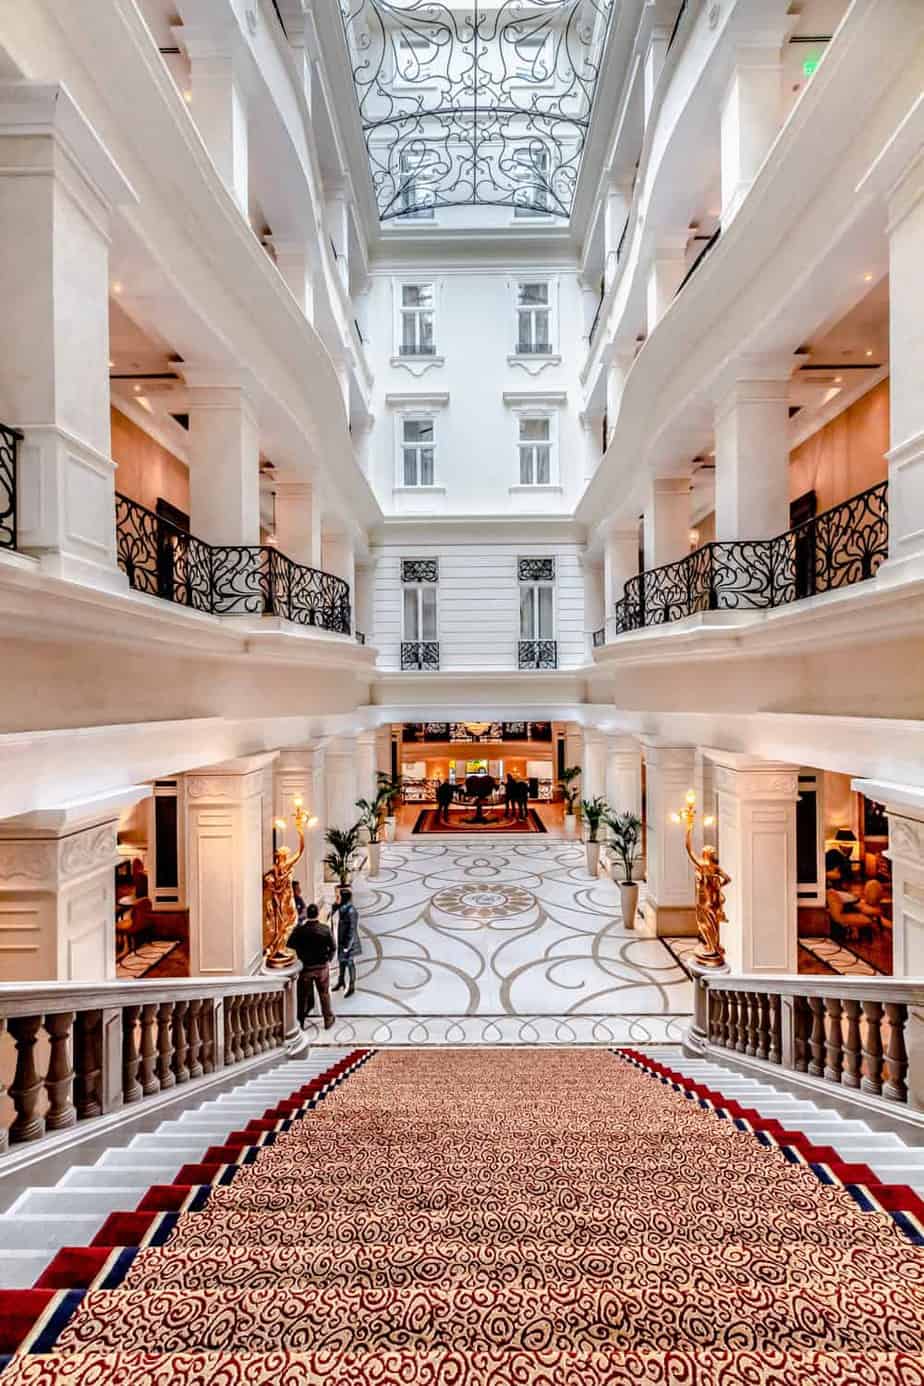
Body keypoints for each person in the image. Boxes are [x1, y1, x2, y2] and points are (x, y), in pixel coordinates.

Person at [287, 903, 335, 1028]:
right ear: (317, 914)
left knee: (302, 996)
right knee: (324, 994)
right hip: (321, 967)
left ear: (307, 914)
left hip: (306, 968)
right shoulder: (325, 929)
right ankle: (328, 1020)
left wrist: (301, 951)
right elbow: (333, 947)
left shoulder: (300, 930)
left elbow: (290, 944)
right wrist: (328, 959)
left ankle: (301, 1021)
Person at [331, 885, 361, 997]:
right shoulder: (342, 907)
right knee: (341, 961)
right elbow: (333, 909)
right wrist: (336, 903)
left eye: (339, 897)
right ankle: (341, 981)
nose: (338, 898)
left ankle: (352, 986)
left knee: (350, 963)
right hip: (341, 940)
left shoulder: (351, 911)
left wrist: (348, 946)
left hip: (349, 942)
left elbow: (352, 930)